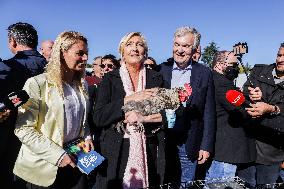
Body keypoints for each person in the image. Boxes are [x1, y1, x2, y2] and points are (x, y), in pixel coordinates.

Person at [13, 31, 94, 188]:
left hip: (77, 159)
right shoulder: (37, 83)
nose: (85, 58)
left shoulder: (82, 85)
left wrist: (88, 137)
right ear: (62, 53)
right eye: (80, 53)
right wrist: (58, 155)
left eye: (86, 53)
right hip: (45, 166)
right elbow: (23, 129)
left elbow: (82, 121)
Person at [93, 32, 166, 189]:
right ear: (122, 52)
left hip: (149, 146)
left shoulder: (156, 78)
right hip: (115, 149)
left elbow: (170, 113)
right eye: (129, 44)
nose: (135, 48)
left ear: (145, 52)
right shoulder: (110, 79)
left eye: (139, 44)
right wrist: (131, 99)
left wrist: (144, 118)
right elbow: (99, 117)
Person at [159, 26, 216, 185]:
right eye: (177, 44)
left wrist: (206, 145)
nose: (180, 50)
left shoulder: (204, 73)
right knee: (164, 182)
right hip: (163, 139)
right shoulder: (161, 70)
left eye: (185, 46)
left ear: (195, 48)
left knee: (186, 183)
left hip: (189, 143)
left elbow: (209, 111)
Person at [0, 22, 47, 188]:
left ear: (12, 41)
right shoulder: (51, 68)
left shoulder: (6, 68)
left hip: (11, 142)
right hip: (47, 140)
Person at [205, 51, 256, 185]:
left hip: (228, 149)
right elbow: (243, 110)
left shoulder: (214, 79)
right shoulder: (221, 83)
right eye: (233, 64)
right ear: (221, 64)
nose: (236, 68)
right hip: (228, 149)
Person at [242, 42, 284, 185]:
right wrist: (251, 94)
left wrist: (272, 108)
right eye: (279, 55)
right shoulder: (260, 71)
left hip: (272, 153)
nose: (280, 59)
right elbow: (244, 91)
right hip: (247, 147)